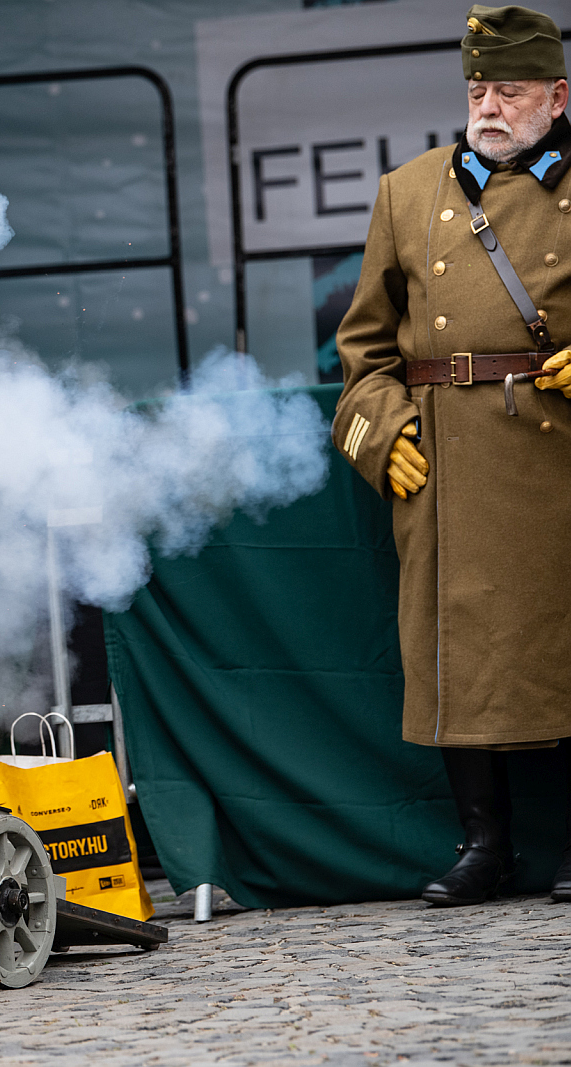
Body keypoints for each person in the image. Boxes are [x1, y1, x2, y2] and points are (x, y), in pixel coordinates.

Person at [335, 4, 571, 906]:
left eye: (510, 90)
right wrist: (383, 433)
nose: (489, 107)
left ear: (556, 96)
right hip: (446, 460)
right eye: (478, 89)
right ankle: (486, 846)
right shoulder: (408, 191)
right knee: (455, 651)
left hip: (555, 455)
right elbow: (362, 354)